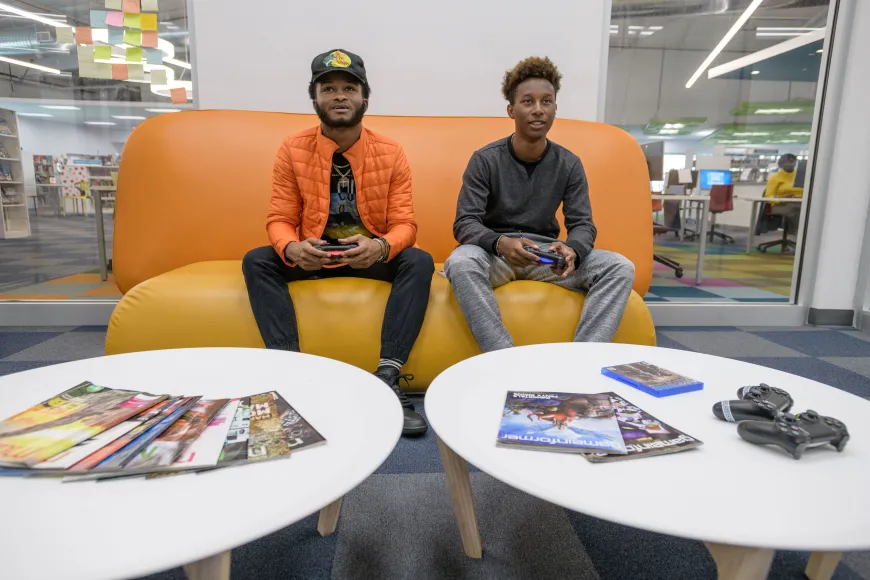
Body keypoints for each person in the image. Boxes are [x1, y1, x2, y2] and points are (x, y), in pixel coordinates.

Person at [242, 49, 434, 437]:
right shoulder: (292, 148)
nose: (339, 96)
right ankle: (290, 374)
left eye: (349, 88)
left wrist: (380, 247)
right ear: (314, 98)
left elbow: (405, 224)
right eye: (328, 88)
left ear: (365, 98)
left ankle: (388, 376)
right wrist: (292, 249)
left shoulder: (391, 152)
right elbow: (279, 218)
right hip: (313, 256)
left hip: (368, 256)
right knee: (257, 259)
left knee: (419, 260)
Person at [444, 56, 635, 353]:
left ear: (555, 108)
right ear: (511, 109)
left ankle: (582, 358)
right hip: (496, 255)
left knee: (620, 267)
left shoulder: (569, 164)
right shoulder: (485, 160)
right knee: (460, 262)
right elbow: (465, 223)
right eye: (528, 101)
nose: (538, 109)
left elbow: (582, 224)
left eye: (546, 101)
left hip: (546, 259)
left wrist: (573, 249)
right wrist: (501, 243)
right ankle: (503, 357)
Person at [764, 153, 803, 235]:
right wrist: (782, 197)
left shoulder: (800, 175)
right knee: (798, 211)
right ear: (781, 164)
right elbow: (768, 197)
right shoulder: (775, 177)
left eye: (793, 161)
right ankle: (799, 233)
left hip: (800, 202)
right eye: (788, 162)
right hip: (780, 204)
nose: (791, 164)